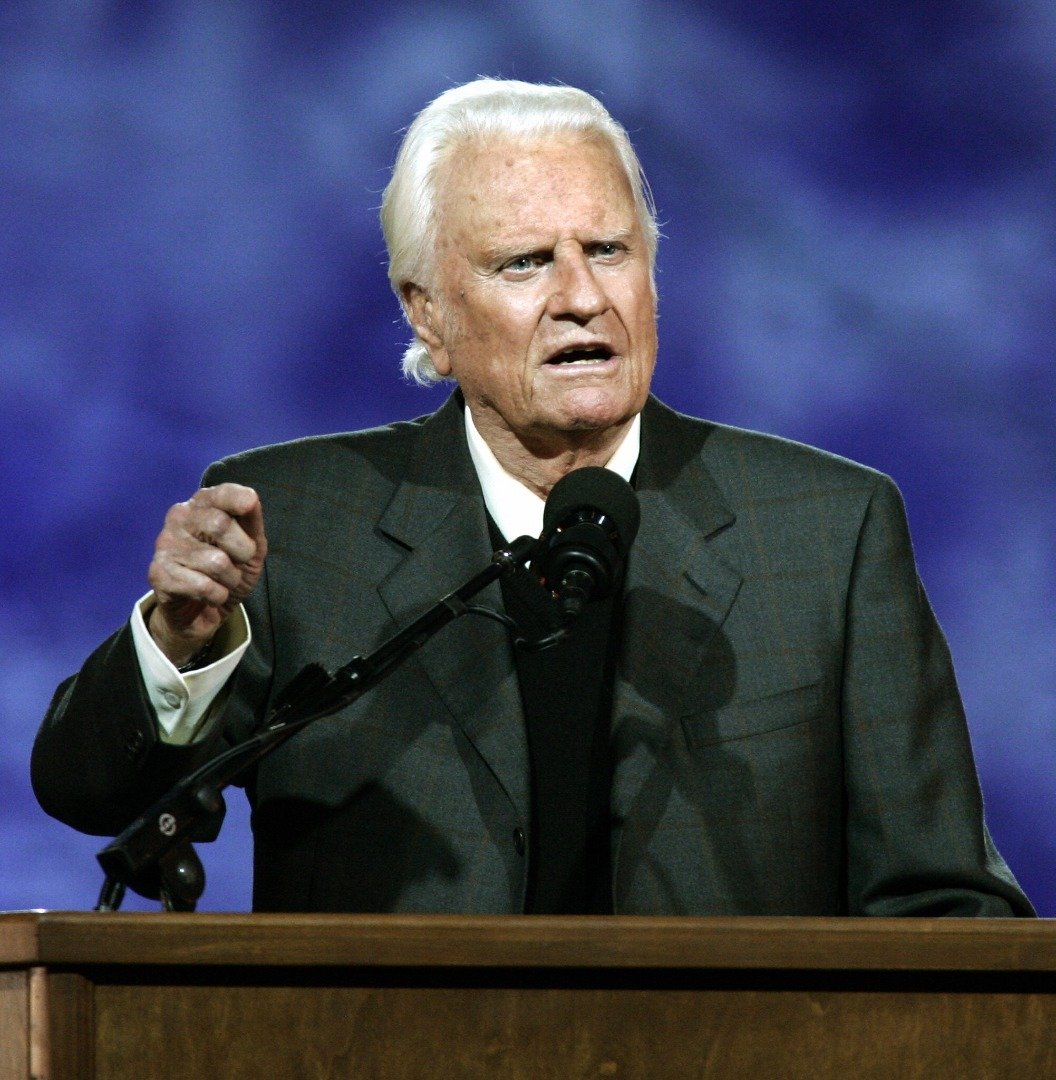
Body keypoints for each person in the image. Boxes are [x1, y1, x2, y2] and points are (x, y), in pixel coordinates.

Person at [32, 79, 1032, 917]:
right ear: (427, 313)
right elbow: (88, 790)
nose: (581, 297)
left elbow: (946, 906)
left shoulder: (826, 531)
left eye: (608, 249)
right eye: (524, 262)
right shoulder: (298, 524)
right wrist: (179, 644)